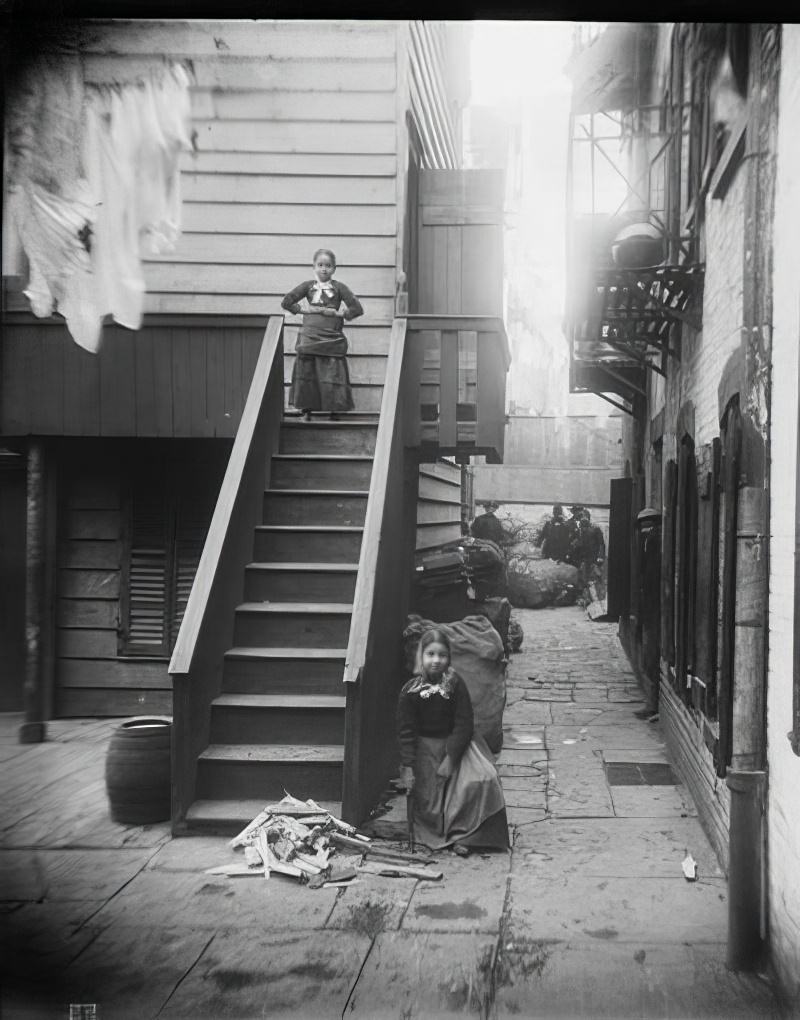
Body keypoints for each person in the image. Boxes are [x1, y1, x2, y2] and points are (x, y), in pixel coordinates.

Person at [396, 629, 509, 854]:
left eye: (442, 655)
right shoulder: (410, 692)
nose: (436, 660)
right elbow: (406, 732)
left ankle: (465, 836)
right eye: (430, 654)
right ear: (421, 656)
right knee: (431, 800)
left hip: (456, 746)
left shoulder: (455, 683)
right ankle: (439, 833)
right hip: (425, 751)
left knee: (482, 780)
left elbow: (464, 722)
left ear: (449, 658)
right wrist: (408, 766)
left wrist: (451, 757)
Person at [281, 248, 363, 420]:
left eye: (328, 265)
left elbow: (357, 309)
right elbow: (287, 301)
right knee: (307, 372)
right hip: (310, 335)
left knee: (332, 372)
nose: (324, 269)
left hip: (331, 337)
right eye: (320, 265)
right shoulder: (307, 286)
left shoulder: (340, 288)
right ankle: (306, 410)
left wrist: (337, 314)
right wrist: (305, 310)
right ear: (314, 267)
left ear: (334, 268)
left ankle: (334, 410)